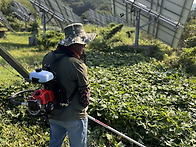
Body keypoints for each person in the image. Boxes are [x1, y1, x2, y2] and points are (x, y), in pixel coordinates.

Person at [42, 23, 96, 147]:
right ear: (75, 44)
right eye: (83, 42)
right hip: (74, 118)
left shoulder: (48, 57)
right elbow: (85, 99)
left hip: (54, 114)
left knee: (54, 143)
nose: (85, 45)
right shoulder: (77, 64)